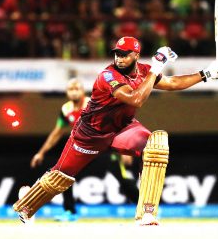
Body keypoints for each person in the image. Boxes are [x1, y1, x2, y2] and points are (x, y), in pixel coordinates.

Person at [14, 36, 218, 226]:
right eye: (117, 54)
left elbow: (173, 83)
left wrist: (207, 74)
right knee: (59, 178)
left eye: (125, 55)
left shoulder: (144, 71)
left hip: (122, 128)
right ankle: (27, 201)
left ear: (136, 55)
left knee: (156, 144)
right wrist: (156, 68)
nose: (119, 58)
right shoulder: (107, 76)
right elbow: (137, 99)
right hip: (89, 135)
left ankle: (147, 213)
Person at [30, 79, 139, 222]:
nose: (74, 91)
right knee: (63, 174)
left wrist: (125, 150)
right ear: (67, 93)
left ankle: (145, 208)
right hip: (84, 150)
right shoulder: (66, 109)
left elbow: (118, 122)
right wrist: (41, 153)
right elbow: (56, 133)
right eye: (71, 89)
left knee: (123, 180)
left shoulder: (94, 104)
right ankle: (70, 212)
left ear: (83, 91)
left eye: (77, 88)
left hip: (105, 149)